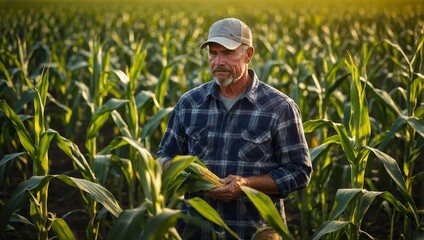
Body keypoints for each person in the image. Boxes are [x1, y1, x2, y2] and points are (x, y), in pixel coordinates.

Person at [157, 17, 312, 240]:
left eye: (228, 53)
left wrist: (246, 185)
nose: (218, 61)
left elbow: (299, 172)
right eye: (213, 53)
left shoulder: (279, 107)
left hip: (253, 232)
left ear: (249, 54)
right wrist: (191, 177)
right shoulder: (189, 103)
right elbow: (164, 156)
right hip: (196, 232)